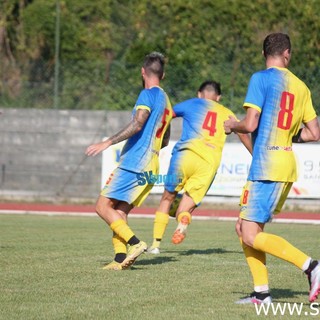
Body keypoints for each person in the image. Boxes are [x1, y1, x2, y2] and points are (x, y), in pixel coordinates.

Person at [224, 33, 320, 304]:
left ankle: (311, 266)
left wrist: (233, 126)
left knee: (249, 232)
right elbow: (314, 133)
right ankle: (261, 293)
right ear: (286, 53)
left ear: (264, 53)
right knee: (244, 227)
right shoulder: (301, 86)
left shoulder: (260, 79)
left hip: (267, 167)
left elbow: (251, 124)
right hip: (284, 163)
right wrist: (288, 135)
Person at [85, 52, 173, 270]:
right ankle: (119, 259)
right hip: (152, 165)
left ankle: (135, 243)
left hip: (135, 163)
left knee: (102, 206)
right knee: (119, 212)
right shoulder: (168, 103)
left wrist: (108, 142)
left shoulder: (147, 94)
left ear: (143, 72)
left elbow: (138, 123)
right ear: (163, 75)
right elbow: (166, 140)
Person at [148, 80, 252, 254]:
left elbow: (166, 115)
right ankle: (183, 221)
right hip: (208, 165)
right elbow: (243, 133)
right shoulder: (228, 113)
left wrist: (158, 137)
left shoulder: (192, 103)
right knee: (184, 208)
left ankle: (155, 245)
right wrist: (255, 155)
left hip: (185, 156)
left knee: (167, 198)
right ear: (218, 97)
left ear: (199, 93)